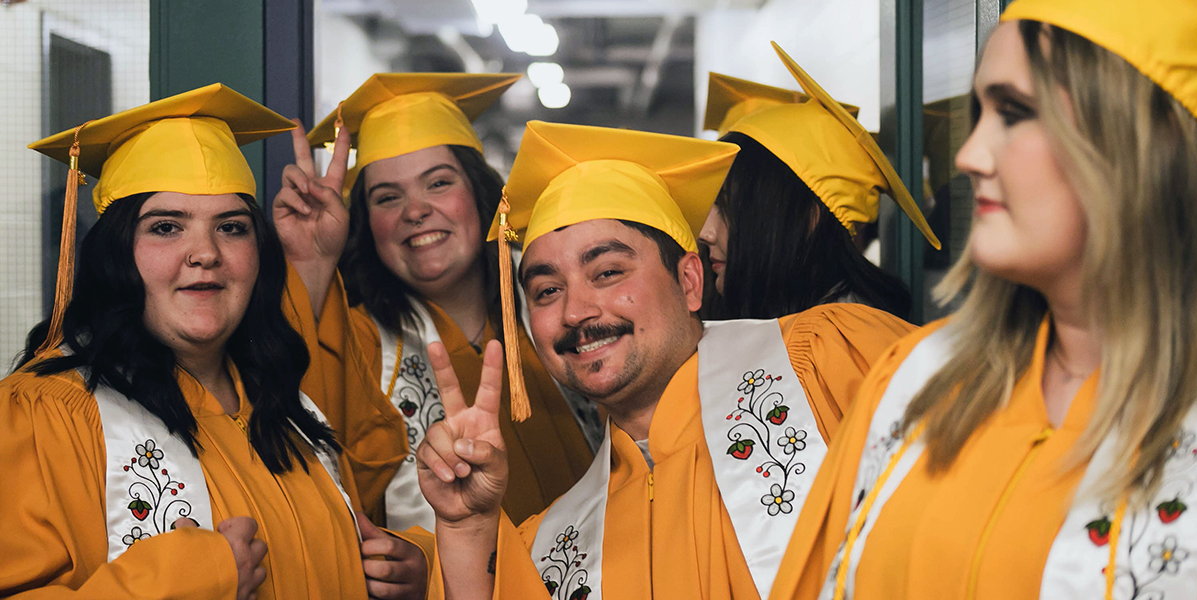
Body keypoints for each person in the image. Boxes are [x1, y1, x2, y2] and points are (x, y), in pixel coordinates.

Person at [776, 0, 1197, 598]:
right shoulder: (917, 381)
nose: (969, 156)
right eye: (980, 113)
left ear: (1139, 144)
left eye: (1015, 112)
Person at [412, 111, 919, 599]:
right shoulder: (553, 545)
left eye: (608, 272)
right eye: (546, 291)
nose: (576, 311)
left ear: (690, 281)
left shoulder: (830, 358)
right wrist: (468, 528)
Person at [1, 84, 424, 600]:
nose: (205, 252)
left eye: (231, 227)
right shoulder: (50, 413)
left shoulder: (288, 409)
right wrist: (183, 583)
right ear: (116, 254)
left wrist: (405, 569)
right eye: (165, 227)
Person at [278, 73, 601, 532]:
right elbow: (317, 469)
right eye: (387, 197)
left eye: (438, 183)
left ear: (479, 191)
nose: (415, 211)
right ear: (367, 224)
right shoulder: (359, 343)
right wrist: (311, 262)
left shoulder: (555, 306)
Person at [698, 48, 940, 321]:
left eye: (728, 207)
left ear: (808, 215)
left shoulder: (851, 344)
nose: (705, 233)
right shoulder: (784, 321)